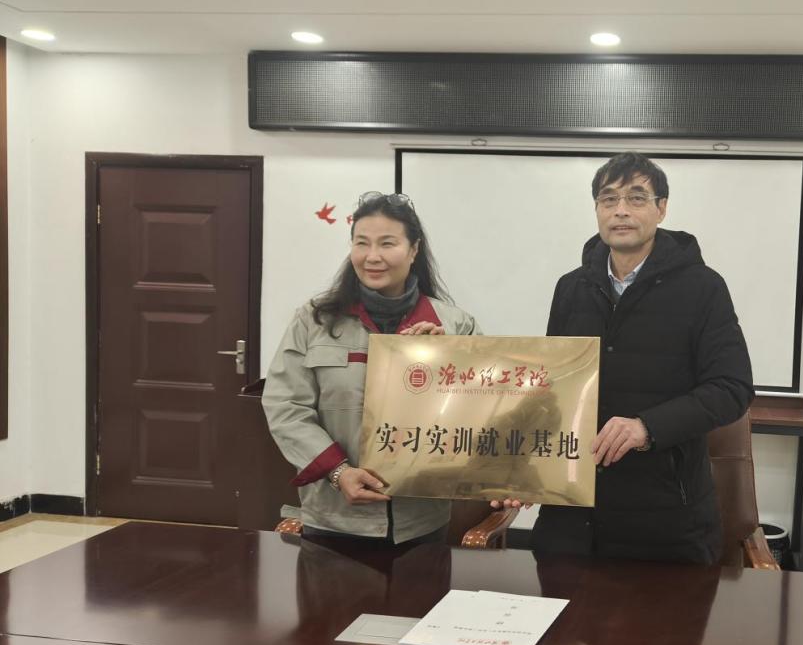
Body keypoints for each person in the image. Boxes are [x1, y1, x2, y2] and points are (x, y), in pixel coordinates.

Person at [527, 152, 754, 563]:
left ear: (661, 208)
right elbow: (554, 390)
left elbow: (731, 388)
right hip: (571, 520)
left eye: (636, 198)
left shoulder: (703, 288)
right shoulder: (571, 288)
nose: (621, 210)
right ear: (597, 209)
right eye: (608, 199)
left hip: (665, 523)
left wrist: (647, 427)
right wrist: (522, 471)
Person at [263, 191, 480, 546]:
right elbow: (285, 405)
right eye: (361, 243)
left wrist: (444, 362)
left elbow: (480, 411)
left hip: (421, 522)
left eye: (387, 243)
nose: (372, 256)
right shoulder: (314, 320)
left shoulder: (455, 326)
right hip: (334, 519)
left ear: (413, 250)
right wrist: (338, 472)